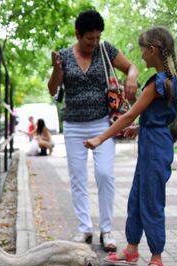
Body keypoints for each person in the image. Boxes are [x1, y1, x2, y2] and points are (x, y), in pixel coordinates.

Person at [84, 26, 177, 266]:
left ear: (153, 50)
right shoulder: (173, 80)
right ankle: (131, 250)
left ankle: (158, 259)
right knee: (137, 198)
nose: (140, 55)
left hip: (155, 150)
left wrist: (100, 138)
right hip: (154, 143)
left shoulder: (156, 83)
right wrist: (140, 129)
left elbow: (128, 114)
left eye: (142, 50)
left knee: (151, 202)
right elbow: (160, 118)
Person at [48, 9, 139, 251]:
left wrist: (131, 77)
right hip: (74, 126)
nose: (95, 42)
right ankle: (84, 228)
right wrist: (57, 69)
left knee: (105, 174)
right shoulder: (65, 56)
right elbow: (52, 89)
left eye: (98, 37)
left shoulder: (106, 49)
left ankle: (106, 230)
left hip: (102, 124)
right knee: (77, 178)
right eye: (90, 38)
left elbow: (132, 67)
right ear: (78, 34)